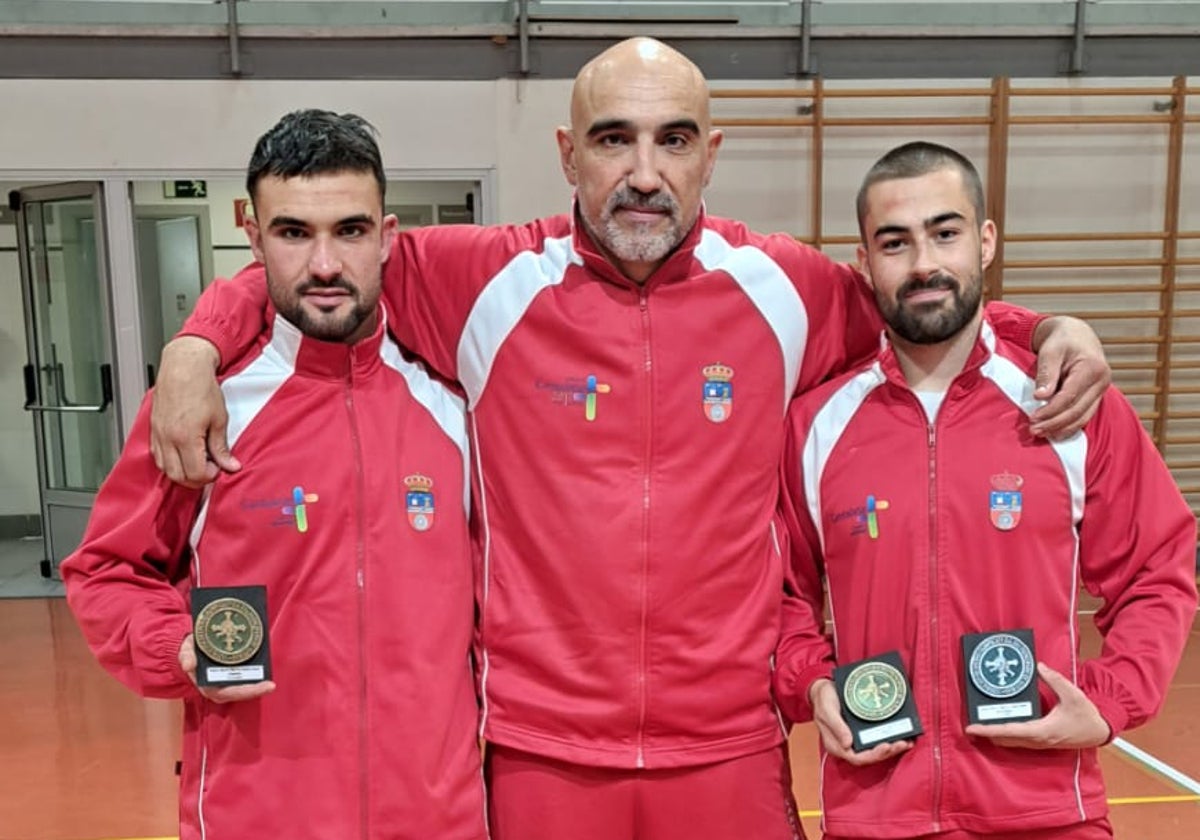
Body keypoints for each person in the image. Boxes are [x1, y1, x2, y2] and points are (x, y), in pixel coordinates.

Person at [147, 40, 1111, 840]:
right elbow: (326, 266)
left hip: (727, 745)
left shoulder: (785, 289)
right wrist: (198, 341)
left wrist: (1045, 329)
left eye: (673, 140)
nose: (643, 173)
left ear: (711, 153)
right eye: (615, 140)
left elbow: (926, 300)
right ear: (568, 154)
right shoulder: (478, 281)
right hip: (541, 752)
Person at [60, 110, 486, 840]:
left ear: (387, 238)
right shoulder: (205, 406)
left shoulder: (455, 405)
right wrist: (178, 649)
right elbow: (106, 570)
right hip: (257, 816)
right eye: (293, 233)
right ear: (254, 240)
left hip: (436, 815)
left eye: (350, 231)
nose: (324, 265)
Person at [772, 141, 1198, 840]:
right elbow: (780, 596)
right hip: (879, 814)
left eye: (946, 233)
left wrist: (1113, 700)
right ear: (864, 261)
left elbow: (1159, 566)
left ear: (986, 240)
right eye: (895, 243)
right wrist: (814, 683)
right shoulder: (814, 426)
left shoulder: (1067, 403)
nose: (924, 265)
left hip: (1047, 811)